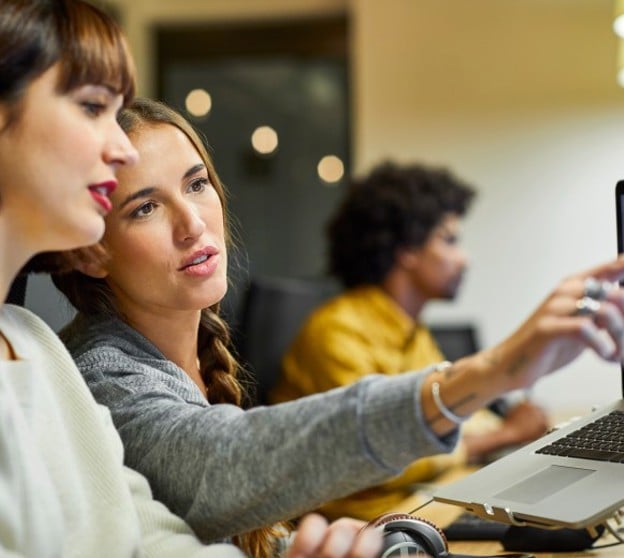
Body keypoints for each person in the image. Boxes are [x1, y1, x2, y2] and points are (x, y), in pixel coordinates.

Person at [0, 2, 385, 557]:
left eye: (198, 184)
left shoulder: (31, 342)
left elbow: (142, 542)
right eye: (91, 108)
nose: (121, 147)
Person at [51, 97, 624, 556]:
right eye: (144, 208)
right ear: (90, 252)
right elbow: (222, 465)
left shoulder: (186, 362)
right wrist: (493, 372)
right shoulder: (101, 376)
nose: (192, 222)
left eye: (197, 184)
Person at [269, 161, 550, 520]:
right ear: (407, 250)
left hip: (415, 503)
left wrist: (519, 427)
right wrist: (504, 434)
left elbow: (457, 414)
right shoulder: (335, 332)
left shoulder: (411, 332)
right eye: (449, 240)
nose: (463, 259)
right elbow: (381, 453)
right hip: (362, 524)